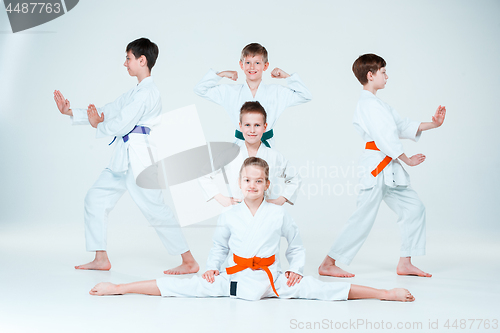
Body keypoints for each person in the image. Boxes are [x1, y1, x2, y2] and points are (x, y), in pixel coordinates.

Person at [90, 157, 415, 303]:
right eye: (247, 181)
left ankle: (385, 293)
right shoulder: (230, 214)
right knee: (185, 287)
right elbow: (218, 248)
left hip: (273, 280)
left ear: (266, 185)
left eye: (259, 181)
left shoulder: (278, 213)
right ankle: (119, 288)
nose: (253, 185)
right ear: (240, 183)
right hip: (233, 279)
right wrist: (212, 270)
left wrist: (296, 272)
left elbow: (297, 247)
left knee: (321, 290)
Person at [53, 37, 198, 275]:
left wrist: (97, 125)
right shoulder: (134, 93)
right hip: (123, 158)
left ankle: (189, 260)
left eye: (128, 58)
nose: (125, 63)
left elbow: (121, 123)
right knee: (96, 198)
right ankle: (101, 258)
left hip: (141, 160)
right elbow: (109, 109)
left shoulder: (148, 92)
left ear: (142, 60)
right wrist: (71, 112)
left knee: (156, 209)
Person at [319, 54, 446, 278]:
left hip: (390, 168)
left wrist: (433, 124)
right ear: (371, 75)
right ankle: (328, 263)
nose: (387, 76)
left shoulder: (379, 104)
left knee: (414, 208)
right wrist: (406, 159)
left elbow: (401, 126)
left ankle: (405, 262)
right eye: (383, 72)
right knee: (363, 217)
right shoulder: (368, 105)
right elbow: (385, 136)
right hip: (376, 167)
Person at [193, 43, 312, 147]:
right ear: (241, 65)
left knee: (265, 172)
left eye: (257, 63)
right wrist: (222, 74)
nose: (252, 67)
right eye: (248, 62)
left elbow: (305, 96)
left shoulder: (276, 92)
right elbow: (200, 89)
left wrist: (287, 77)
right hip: (241, 146)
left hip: (266, 147)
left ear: (265, 66)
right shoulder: (231, 92)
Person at [199, 101, 300, 207]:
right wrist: (221, 198)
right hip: (238, 213)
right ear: (240, 127)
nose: (252, 130)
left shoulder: (274, 156)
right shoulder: (231, 154)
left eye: (257, 125)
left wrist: (282, 199)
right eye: (247, 125)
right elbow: (204, 174)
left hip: (266, 213)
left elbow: (295, 177)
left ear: (264, 127)